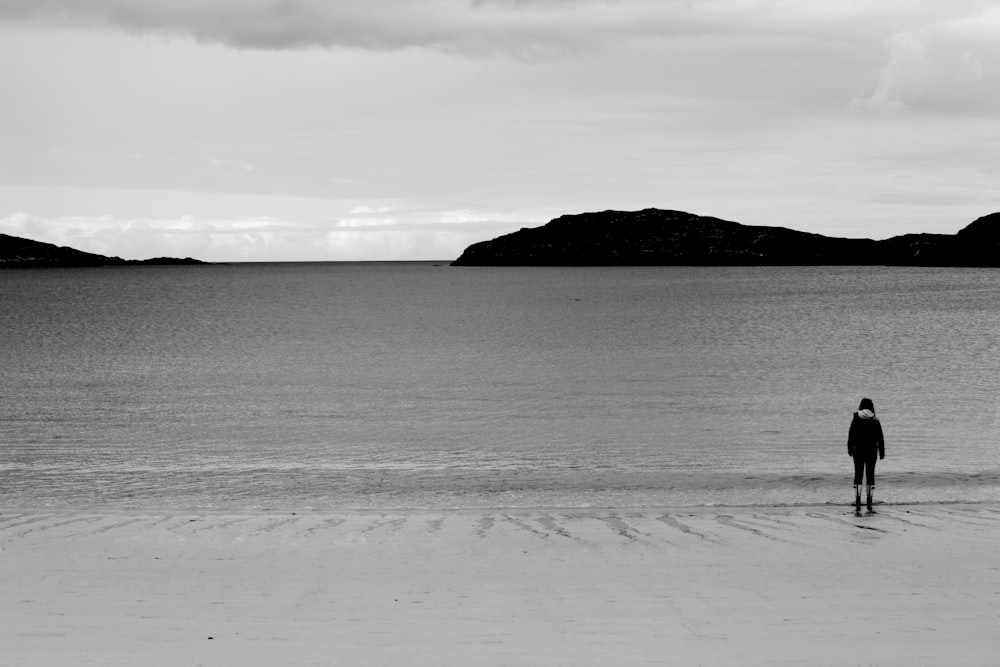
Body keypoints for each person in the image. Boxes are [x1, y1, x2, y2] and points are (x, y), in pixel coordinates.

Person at [847, 397, 885, 510]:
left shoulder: (856, 418)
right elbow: (880, 438)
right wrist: (882, 452)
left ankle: (858, 499)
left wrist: (849, 448)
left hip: (858, 451)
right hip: (872, 451)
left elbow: (851, 435)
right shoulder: (875, 420)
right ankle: (869, 500)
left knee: (858, 475)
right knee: (870, 475)